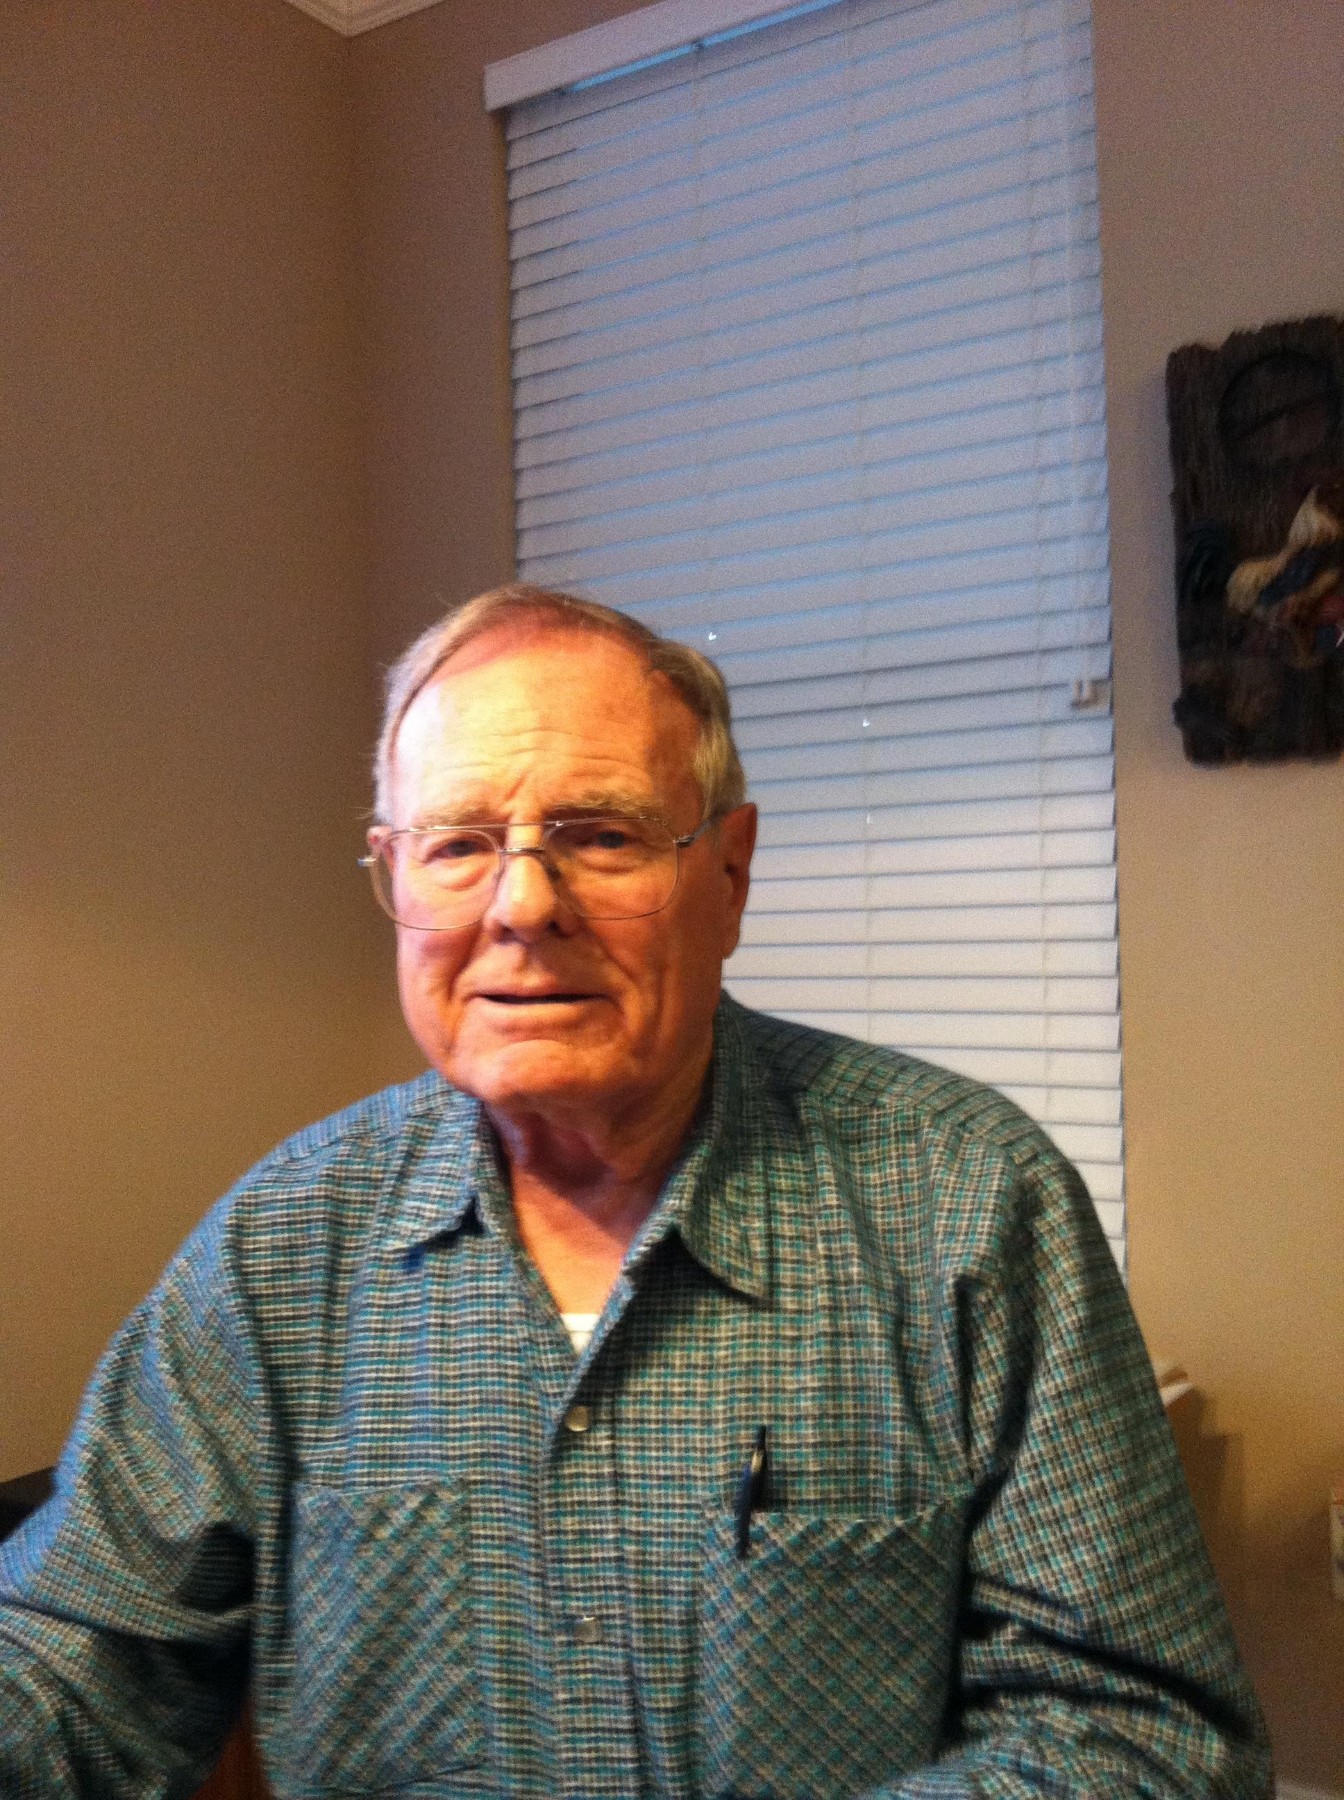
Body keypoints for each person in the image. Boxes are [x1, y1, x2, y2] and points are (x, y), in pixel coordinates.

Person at [0, 585, 1271, 1798]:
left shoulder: (965, 1202)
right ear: (392, 873)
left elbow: (1147, 1739)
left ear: (731, 872)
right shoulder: (283, 1247)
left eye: (600, 836)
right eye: (459, 845)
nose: (523, 905)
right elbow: (72, 1662)